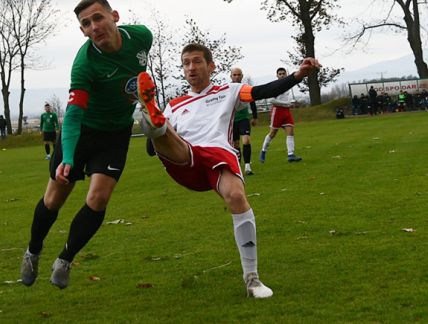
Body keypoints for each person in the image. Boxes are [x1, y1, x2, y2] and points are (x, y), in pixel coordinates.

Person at [137, 42, 322, 298]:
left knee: (236, 196)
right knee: (165, 130)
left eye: (197, 61)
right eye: (186, 63)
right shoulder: (176, 104)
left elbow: (263, 91)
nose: (191, 67)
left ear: (211, 66)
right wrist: (157, 132)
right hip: (184, 157)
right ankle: (154, 119)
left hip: (218, 155)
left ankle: (252, 280)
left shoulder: (230, 90)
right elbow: (149, 150)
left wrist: (298, 75)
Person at [20, 0, 152, 289]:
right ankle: (33, 250)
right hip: (81, 133)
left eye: (98, 18)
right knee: (54, 199)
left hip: (116, 134)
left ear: (115, 16)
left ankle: (65, 259)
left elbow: (138, 75)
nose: (94, 26)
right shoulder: (84, 65)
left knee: (98, 198)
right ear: (82, 32)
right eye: (86, 24)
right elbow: (74, 116)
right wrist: (67, 157)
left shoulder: (142, 37)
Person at [259, 67, 302, 163]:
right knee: (272, 133)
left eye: (284, 73)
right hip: (277, 111)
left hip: (286, 111)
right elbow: (272, 100)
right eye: (280, 74)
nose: (282, 75)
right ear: (277, 76)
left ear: (286, 74)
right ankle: (263, 150)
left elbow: (284, 99)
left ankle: (290, 154)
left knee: (290, 132)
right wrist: (287, 104)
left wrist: (290, 103)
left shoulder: (288, 85)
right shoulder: (275, 86)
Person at [230, 68, 259, 175]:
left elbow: (252, 102)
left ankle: (247, 166)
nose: (236, 77)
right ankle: (237, 166)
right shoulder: (228, 89)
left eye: (239, 75)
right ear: (231, 76)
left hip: (244, 118)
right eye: (234, 75)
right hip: (232, 120)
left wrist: (255, 117)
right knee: (235, 143)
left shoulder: (245, 88)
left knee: (246, 140)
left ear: (242, 76)